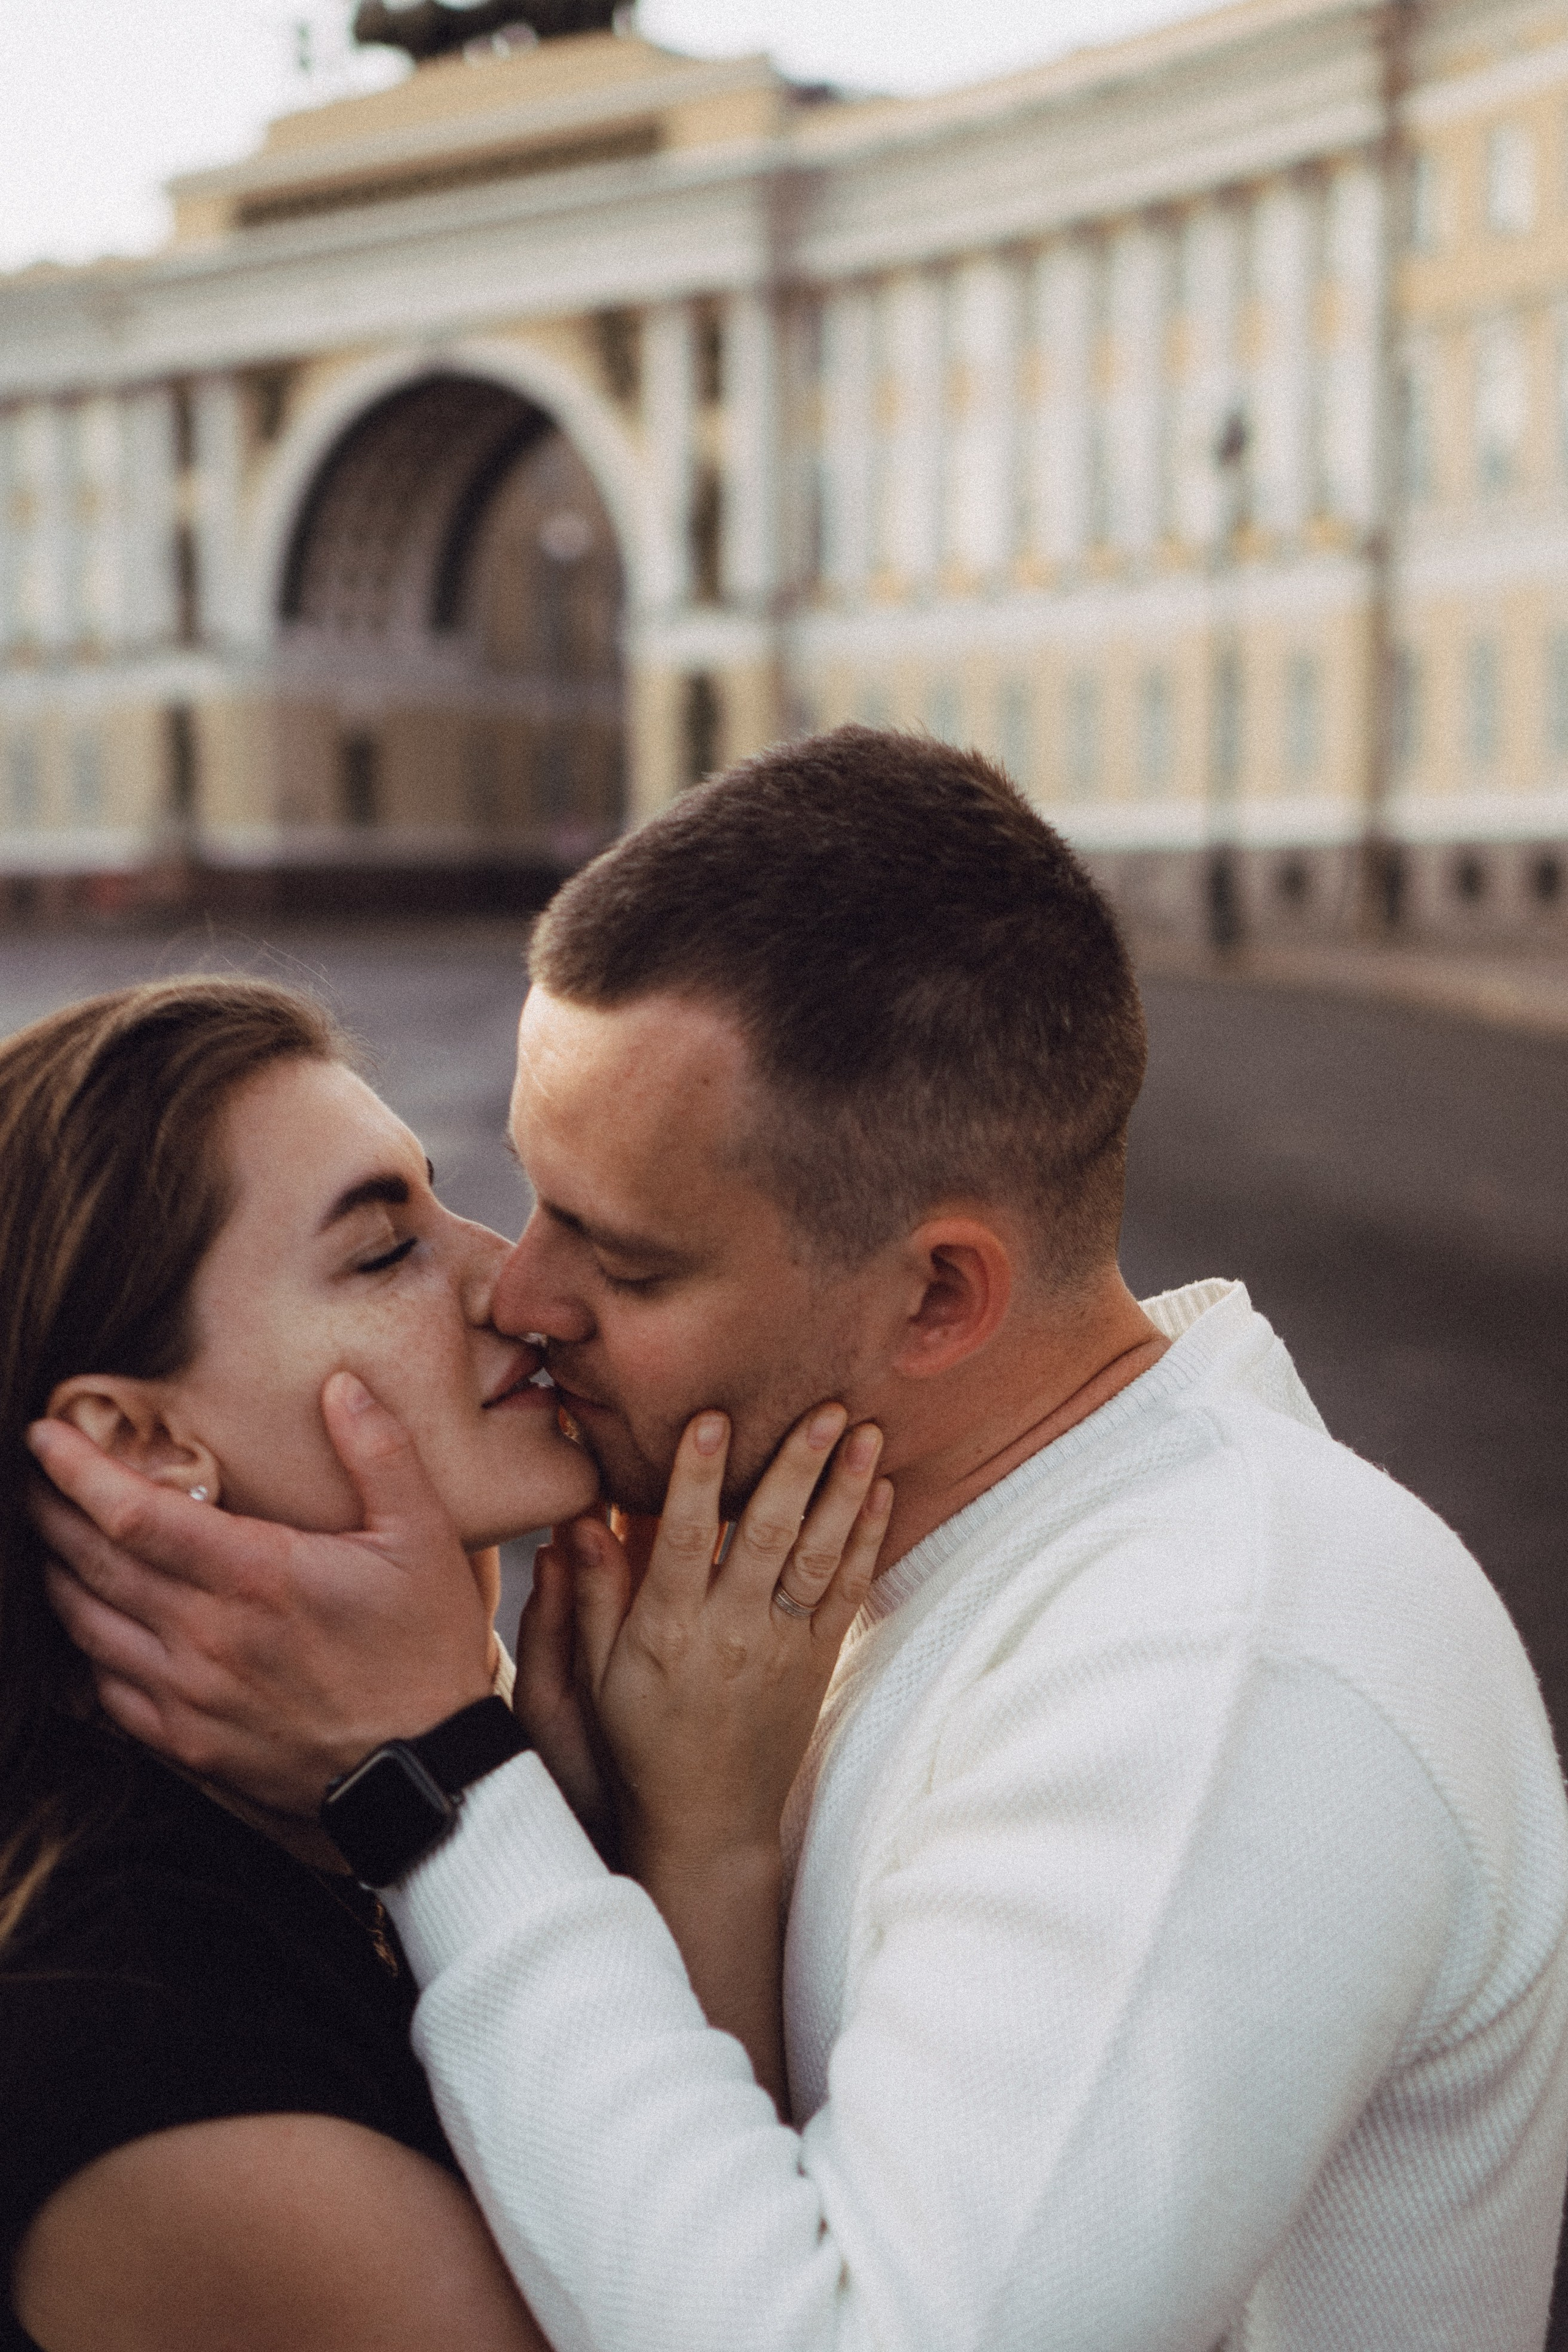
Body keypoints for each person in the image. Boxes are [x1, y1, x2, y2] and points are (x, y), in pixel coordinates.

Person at [36, 730, 1568, 2352]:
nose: (525, 1295)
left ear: (936, 1294)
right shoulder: (816, 1598)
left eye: (624, 1265)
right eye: (529, 1197)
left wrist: (436, 1781)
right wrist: (646, 1823)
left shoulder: (1224, 1653)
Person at [0, 974, 886, 2352]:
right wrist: (686, 1838)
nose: (513, 1281)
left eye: (439, 1198)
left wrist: (555, 1812)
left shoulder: (276, 1841)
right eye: (381, 1251)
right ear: (133, 1446)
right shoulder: (140, 2057)